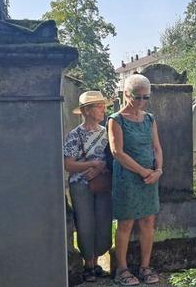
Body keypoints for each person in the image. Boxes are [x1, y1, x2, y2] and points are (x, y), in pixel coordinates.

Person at [108, 74, 163, 285]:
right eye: (136, 97)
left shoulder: (149, 119)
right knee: (126, 223)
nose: (141, 101)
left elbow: (156, 147)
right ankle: (121, 270)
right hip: (128, 178)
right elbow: (117, 152)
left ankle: (145, 267)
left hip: (150, 177)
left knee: (148, 221)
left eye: (145, 97)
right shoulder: (116, 120)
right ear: (126, 94)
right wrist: (142, 171)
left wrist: (158, 170)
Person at [63, 91, 113, 283]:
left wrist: (101, 168)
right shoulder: (74, 136)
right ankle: (88, 265)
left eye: (103, 106)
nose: (103, 109)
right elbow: (69, 164)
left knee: (103, 222)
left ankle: (97, 260)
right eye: (99, 106)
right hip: (80, 186)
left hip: (102, 183)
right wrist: (92, 165)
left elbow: (112, 159)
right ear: (87, 111)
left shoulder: (107, 132)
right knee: (85, 224)